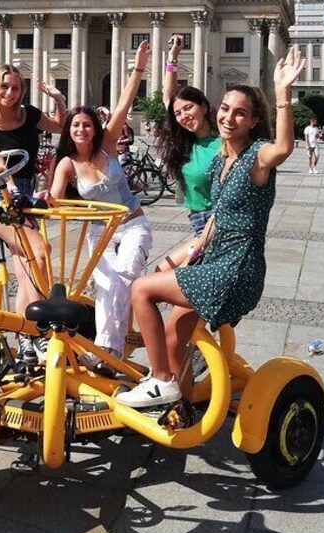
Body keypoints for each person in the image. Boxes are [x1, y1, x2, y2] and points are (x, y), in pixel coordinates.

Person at [118, 47, 305, 409]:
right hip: (215, 260)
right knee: (174, 333)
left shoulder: (256, 156)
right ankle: (179, 404)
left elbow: (283, 148)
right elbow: (214, 219)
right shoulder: (224, 158)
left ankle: (160, 382)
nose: (230, 118)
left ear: (253, 121)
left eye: (240, 113)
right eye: (226, 109)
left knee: (141, 289)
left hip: (236, 270)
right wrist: (193, 253)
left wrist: (282, 95)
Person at [42, 41, 153, 376]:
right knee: (107, 286)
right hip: (98, 232)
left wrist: (139, 68)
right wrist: (47, 200)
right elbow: (56, 198)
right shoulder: (66, 164)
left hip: (132, 224)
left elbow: (123, 103)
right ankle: (111, 350)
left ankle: (108, 350)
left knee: (118, 279)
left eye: (86, 124)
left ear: (94, 128)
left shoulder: (107, 145)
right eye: (75, 125)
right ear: (69, 130)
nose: (81, 129)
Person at [0, 65, 67, 365]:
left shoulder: (29, 114)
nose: (10, 93)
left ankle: (25, 336)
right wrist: (10, 185)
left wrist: (59, 98)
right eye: (4, 87)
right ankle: (37, 329)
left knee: (25, 269)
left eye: (15, 88)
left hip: (24, 198)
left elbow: (61, 126)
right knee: (38, 251)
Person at [157, 34, 219, 237]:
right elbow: (168, 97)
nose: (183, 116)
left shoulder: (223, 140)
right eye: (178, 113)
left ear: (203, 105)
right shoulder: (185, 141)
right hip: (196, 217)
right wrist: (172, 58)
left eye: (188, 108)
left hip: (216, 221)